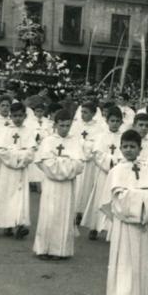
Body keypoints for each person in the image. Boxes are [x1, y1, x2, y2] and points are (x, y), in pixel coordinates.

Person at [102, 130, 148, 295]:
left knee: (139, 257)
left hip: (142, 223)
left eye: (132, 147)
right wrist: (138, 200)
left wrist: (144, 205)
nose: (128, 150)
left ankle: (137, 292)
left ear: (139, 149)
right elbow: (113, 198)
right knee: (124, 259)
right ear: (120, 148)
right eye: (125, 146)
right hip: (124, 223)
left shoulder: (146, 171)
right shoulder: (116, 171)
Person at [0, 102, 37, 239]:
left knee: (19, 198)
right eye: (15, 116)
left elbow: (31, 151)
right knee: (6, 197)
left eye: (20, 116)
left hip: (21, 170)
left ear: (25, 116)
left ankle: (19, 224)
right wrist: (13, 157)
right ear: (10, 116)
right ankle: (7, 224)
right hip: (6, 170)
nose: (18, 118)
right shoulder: (5, 131)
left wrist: (20, 158)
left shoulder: (29, 132)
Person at [33, 109, 84, 260]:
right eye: (61, 125)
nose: (65, 129)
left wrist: (59, 164)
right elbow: (43, 162)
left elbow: (79, 164)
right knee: (48, 215)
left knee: (64, 216)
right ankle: (44, 249)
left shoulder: (74, 141)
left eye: (68, 125)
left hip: (67, 187)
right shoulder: (49, 141)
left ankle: (61, 251)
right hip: (51, 185)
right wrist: (65, 165)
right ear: (56, 124)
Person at [81, 106, 123, 240]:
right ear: (107, 121)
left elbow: (125, 154)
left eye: (117, 121)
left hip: (118, 174)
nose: (115, 124)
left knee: (114, 200)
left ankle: (112, 230)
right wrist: (111, 162)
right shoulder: (101, 136)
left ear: (121, 122)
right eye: (112, 121)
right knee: (99, 198)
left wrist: (118, 164)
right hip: (104, 173)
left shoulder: (123, 137)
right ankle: (94, 227)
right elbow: (97, 154)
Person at [71, 102, 107, 225]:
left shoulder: (99, 127)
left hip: (90, 162)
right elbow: (71, 139)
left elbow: (98, 144)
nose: (83, 114)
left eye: (86, 112)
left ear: (93, 113)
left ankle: (82, 213)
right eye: (82, 112)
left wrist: (87, 148)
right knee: (77, 186)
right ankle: (73, 212)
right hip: (78, 159)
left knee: (86, 187)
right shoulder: (76, 125)